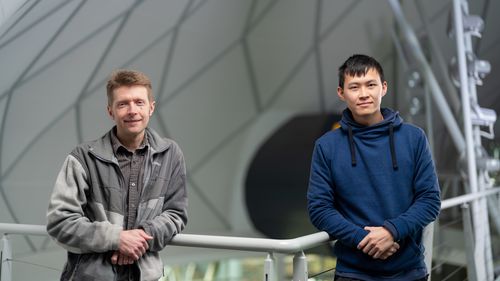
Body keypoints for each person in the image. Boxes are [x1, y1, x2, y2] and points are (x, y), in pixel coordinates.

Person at [307, 54, 440, 281]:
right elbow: (319, 208)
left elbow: (430, 200)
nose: (364, 94)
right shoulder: (326, 146)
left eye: (371, 85)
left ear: (383, 88)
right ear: (341, 93)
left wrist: (392, 232)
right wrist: (364, 239)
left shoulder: (414, 138)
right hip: (353, 273)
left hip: (409, 272)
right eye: (354, 87)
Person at [47, 69, 188, 281]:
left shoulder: (171, 154)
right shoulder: (83, 157)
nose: (132, 110)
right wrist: (116, 239)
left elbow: (176, 214)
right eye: (123, 104)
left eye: (139, 102)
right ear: (110, 111)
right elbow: (60, 222)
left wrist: (138, 239)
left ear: (151, 108)